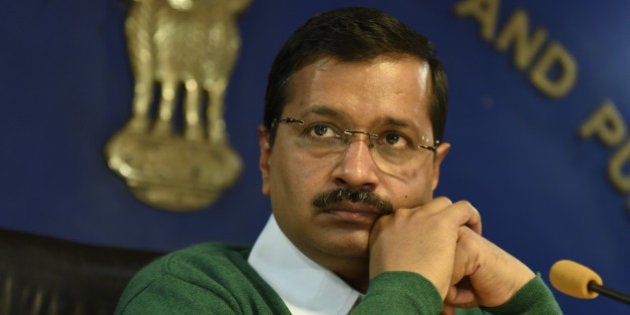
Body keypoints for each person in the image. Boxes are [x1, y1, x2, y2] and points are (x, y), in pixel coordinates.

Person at [116, 7, 562, 314]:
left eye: (393, 138)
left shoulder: (463, 304)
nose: (357, 171)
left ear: (434, 171)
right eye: (322, 131)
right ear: (268, 157)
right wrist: (405, 290)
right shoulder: (182, 295)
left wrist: (524, 299)